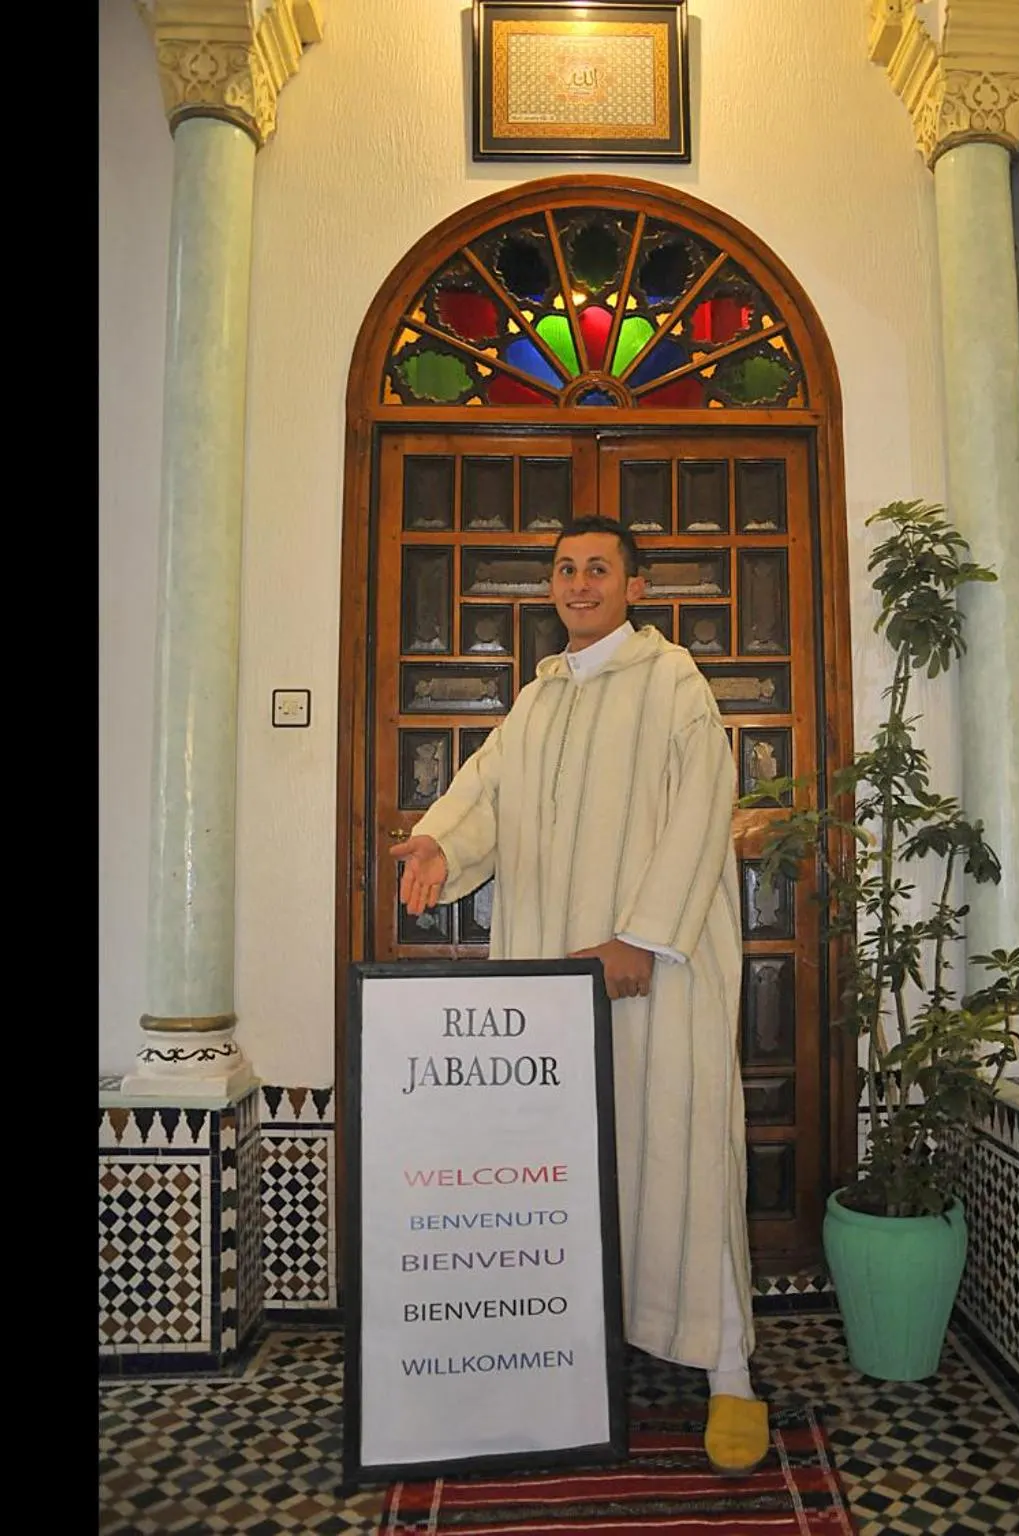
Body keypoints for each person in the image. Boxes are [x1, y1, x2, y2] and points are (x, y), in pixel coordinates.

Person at [391, 515, 768, 1475]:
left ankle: (730, 1372)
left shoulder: (673, 681)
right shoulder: (541, 698)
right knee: (574, 1162)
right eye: (566, 569)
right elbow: (487, 791)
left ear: (634, 586)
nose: (580, 582)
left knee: (682, 1149)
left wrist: (639, 938)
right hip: (555, 984)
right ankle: (574, 1353)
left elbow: (700, 811)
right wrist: (441, 841)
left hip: (657, 973)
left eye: (599, 568)